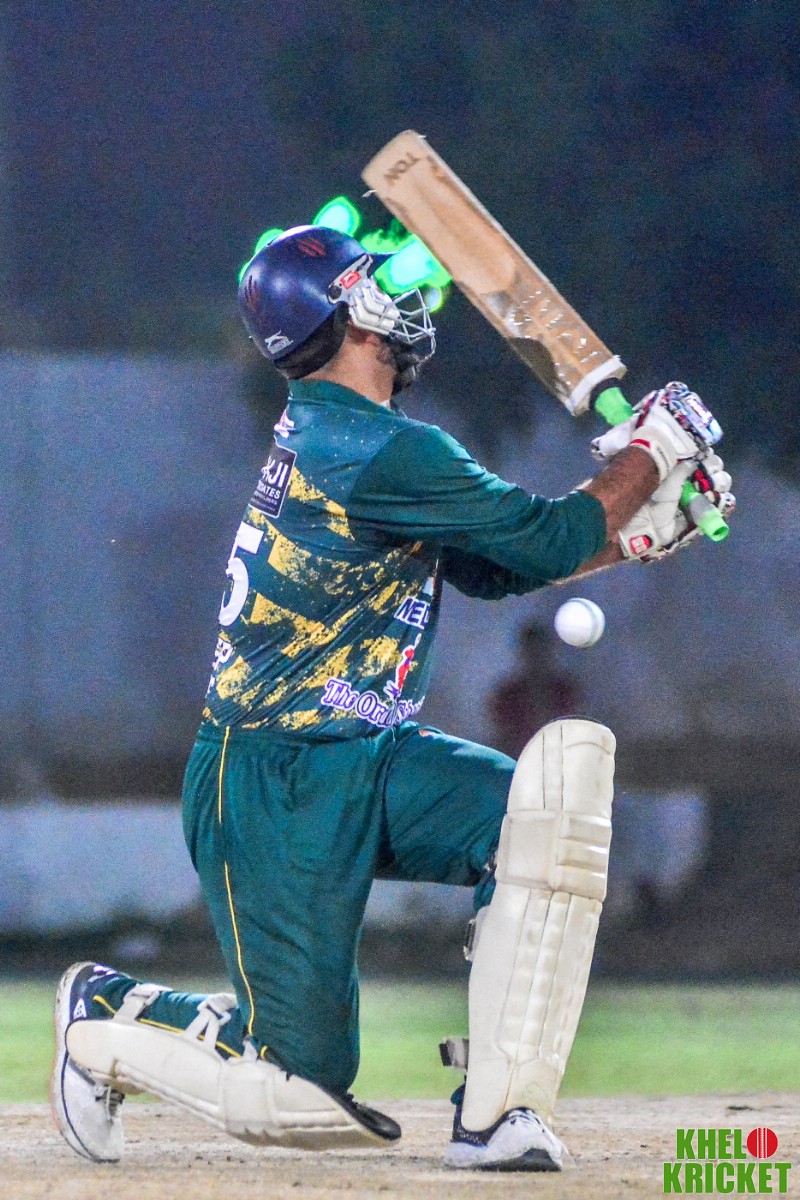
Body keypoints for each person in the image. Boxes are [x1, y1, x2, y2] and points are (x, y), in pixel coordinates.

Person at [51, 225, 733, 1171]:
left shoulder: (357, 439)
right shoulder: (372, 446)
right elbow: (542, 540)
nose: (394, 302)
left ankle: (498, 1113)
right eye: (368, 286)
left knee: (542, 816)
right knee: (297, 1086)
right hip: (273, 780)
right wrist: (653, 451)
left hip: (364, 757)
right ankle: (103, 1022)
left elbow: (496, 567)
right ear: (334, 320)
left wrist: (634, 534)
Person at [488, 620, 584, 759]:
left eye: (540, 650)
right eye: (532, 651)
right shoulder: (508, 695)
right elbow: (501, 737)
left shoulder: (564, 691)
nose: (536, 657)